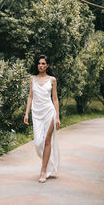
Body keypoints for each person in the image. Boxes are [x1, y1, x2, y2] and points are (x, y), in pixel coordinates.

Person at [24, 55, 61, 183]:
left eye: (43, 63)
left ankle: (43, 170)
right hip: (37, 114)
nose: (41, 65)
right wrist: (26, 113)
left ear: (47, 65)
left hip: (49, 112)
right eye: (39, 63)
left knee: (47, 141)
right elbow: (30, 97)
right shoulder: (32, 79)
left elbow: (55, 99)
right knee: (38, 142)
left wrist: (57, 117)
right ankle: (48, 163)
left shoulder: (52, 80)